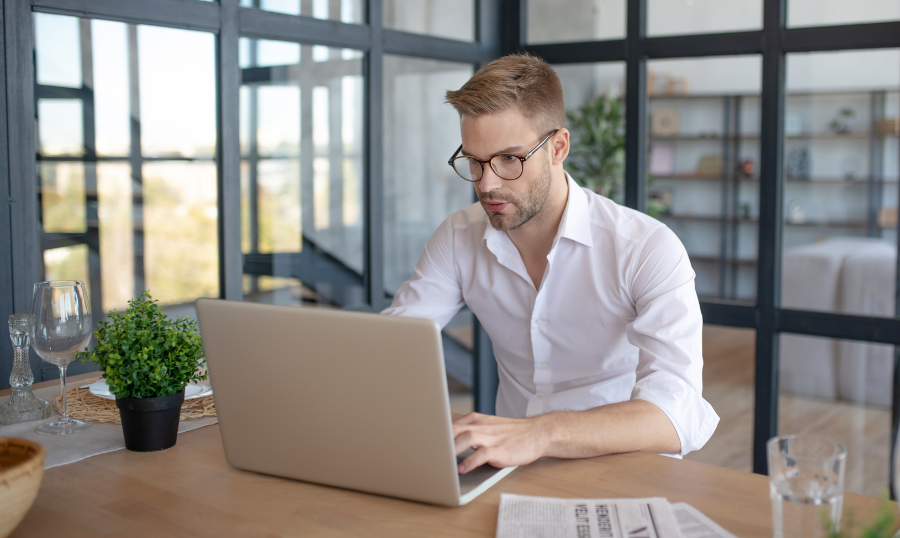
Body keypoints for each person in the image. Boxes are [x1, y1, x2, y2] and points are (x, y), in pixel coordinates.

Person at [381, 53, 718, 475]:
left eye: (509, 159)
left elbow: (677, 413)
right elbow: (389, 351)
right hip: (508, 471)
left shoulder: (646, 248)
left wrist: (540, 433)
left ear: (558, 147)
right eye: (474, 161)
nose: (486, 184)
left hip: (624, 472)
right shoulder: (457, 237)